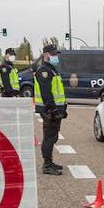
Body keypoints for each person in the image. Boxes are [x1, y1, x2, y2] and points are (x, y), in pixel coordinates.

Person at [34, 44, 66, 175]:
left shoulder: (51, 70)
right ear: (45, 55)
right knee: (49, 137)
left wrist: (63, 108)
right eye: (53, 54)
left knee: (53, 136)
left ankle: (50, 161)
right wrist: (53, 110)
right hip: (49, 110)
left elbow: (57, 91)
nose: (55, 56)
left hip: (54, 109)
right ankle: (47, 165)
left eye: (56, 54)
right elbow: (46, 94)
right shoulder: (44, 71)